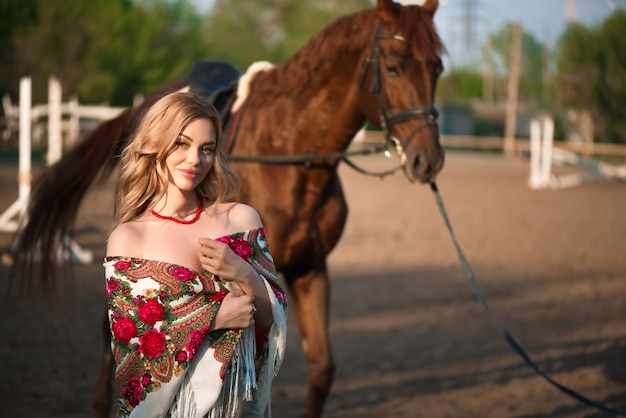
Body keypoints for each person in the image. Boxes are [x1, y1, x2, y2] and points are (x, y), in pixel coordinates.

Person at [103, 91, 288, 417]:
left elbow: (272, 324)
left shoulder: (240, 220)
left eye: (207, 149)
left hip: (235, 407)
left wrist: (243, 272)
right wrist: (215, 319)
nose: (195, 160)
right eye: (181, 144)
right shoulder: (128, 238)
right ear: (155, 145)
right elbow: (132, 356)